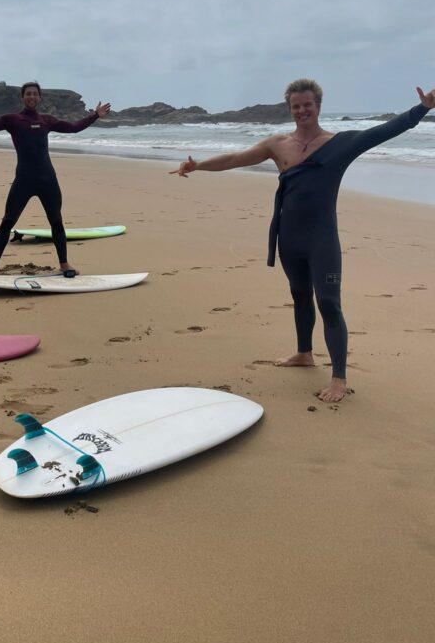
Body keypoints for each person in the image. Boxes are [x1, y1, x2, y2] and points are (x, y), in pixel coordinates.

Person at [170, 80, 434, 403]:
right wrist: (198, 166)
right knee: (299, 296)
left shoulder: (341, 144)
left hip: (322, 239)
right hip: (288, 237)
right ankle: (304, 353)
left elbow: (383, 131)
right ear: (290, 109)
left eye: (307, 105)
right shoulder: (278, 145)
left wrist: (421, 109)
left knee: (329, 304)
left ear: (318, 106)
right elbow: (235, 159)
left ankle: (338, 377)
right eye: (296, 106)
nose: (302, 111)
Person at [0, 82, 111, 274]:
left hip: (47, 180)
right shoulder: (12, 120)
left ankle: (64, 265)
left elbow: (74, 127)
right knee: (8, 221)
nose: (32, 97)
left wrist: (95, 115)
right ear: (22, 97)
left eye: (35, 94)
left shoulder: (47, 120)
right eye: (28, 94)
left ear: (40, 97)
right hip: (24, 181)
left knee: (57, 222)